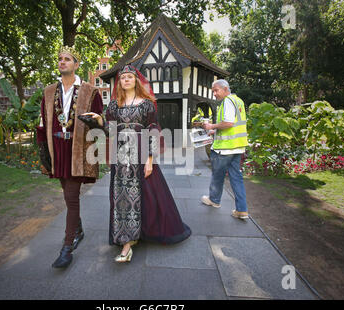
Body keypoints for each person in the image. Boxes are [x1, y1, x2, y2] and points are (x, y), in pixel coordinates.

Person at [84, 65, 191, 263]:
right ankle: (126, 239)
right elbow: (110, 131)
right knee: (122, 195)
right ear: (120, 82)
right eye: (122, 77)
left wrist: (150, 160)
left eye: (129, 77)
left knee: (148, 194)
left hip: (141, 153)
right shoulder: (114, 106)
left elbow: (152, 130)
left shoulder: (147, 104)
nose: (125, 80)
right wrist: (99, 121)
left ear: (136, 80)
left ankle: (140, 233)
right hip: (121, 155)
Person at [36, 45, 103, 269]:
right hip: (57, 149)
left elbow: (100, 124)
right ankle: (79, 229)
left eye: (67, 59)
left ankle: (67, 247)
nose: (62, 62)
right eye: (60, 59)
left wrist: (96, 121)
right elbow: (41, 124)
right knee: (67, 194)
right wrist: (42, 151)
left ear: (76, 64)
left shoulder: (90, 91)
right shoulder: (47, 91)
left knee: (72, 198)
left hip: (78, 151)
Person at [200, 79, 249, 219]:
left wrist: (211, 127)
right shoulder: (237, 100)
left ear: (225, 89)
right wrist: (215, 131)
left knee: (217, 175)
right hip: (237, 147)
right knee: (236, 178)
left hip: (225, 148)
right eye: (213, 91)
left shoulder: (227, 101)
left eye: (216, 90)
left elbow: (228, 123)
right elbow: (233, 125)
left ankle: (214, 200)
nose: (214, 94)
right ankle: (242, 210)